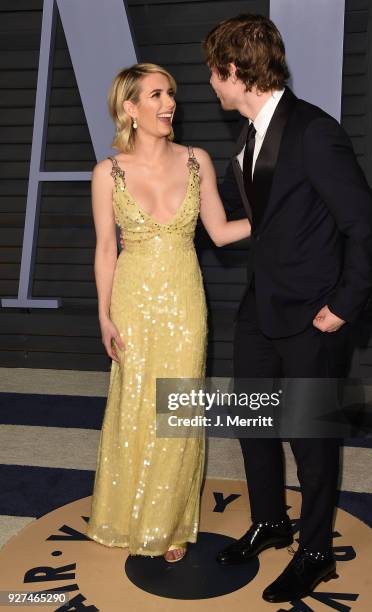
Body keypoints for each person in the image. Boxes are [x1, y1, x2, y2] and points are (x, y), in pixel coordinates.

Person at [202, 14, 372, 604]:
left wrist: (344, 305)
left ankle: (315, 553)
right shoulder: (251, 134)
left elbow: (364, 226)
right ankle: (272, 521)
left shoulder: (313, 132)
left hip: (312, 313)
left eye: (213, 73)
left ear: (234, 70)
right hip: (260, 307)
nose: (211, 85)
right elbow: (273, 221)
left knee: (310, 437)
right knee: (253, 424)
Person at [86, 63, 250, 563]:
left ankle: (167, 522)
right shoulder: (107, 171)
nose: (169, 103)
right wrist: (103, 315)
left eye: (171, 94)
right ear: (129, 108)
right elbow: (106, 249)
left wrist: (277, 216)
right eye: (156, 95)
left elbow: (220, 233)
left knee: (176, 409)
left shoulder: (196, 159)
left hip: (183, 299)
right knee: (134, 404)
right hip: (131, 301)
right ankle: (127, 513)